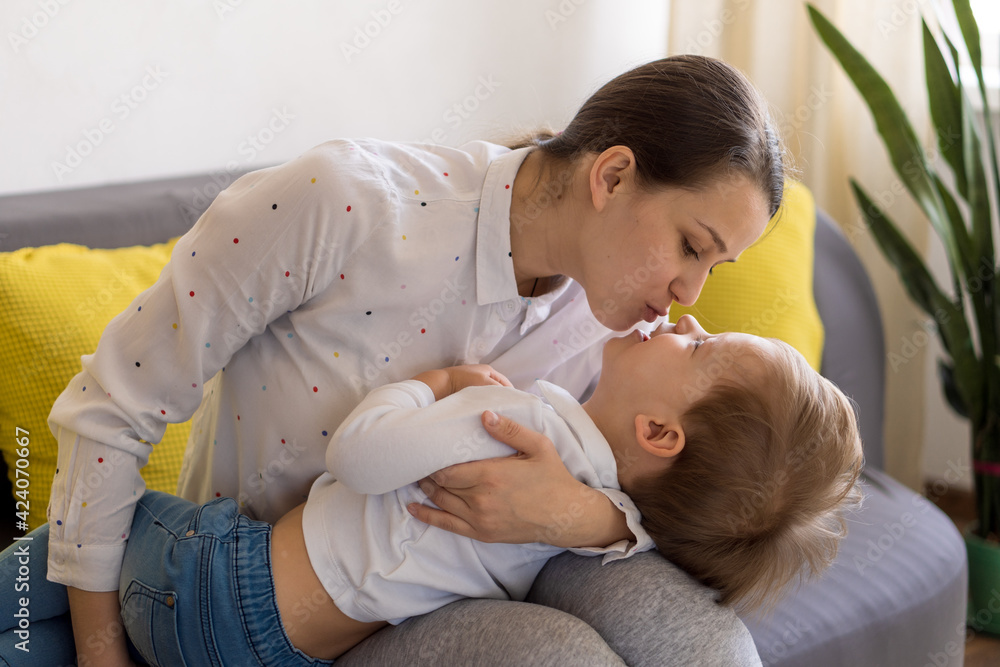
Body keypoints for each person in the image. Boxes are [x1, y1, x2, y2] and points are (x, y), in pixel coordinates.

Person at [1, 55, 785, 666]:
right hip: (238, 593)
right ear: (611, 175)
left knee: (706, 644)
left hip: (411, 606)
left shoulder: (616, 332)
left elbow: (692, 481)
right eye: (692, 247)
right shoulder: (344, 204)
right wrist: (104, 653)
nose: (688, 294)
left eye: (714, 268)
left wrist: (587, 516)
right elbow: (113, 406)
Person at [105, 314, 863, 664]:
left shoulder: (517, 427)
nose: (686, 315)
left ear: (661, 434)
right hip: (290, 650)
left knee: (104, 524)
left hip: (220, 593)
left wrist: (428, 385)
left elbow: (360, 459)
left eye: (698, 343)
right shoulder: (618, 515)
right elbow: (658, 528)